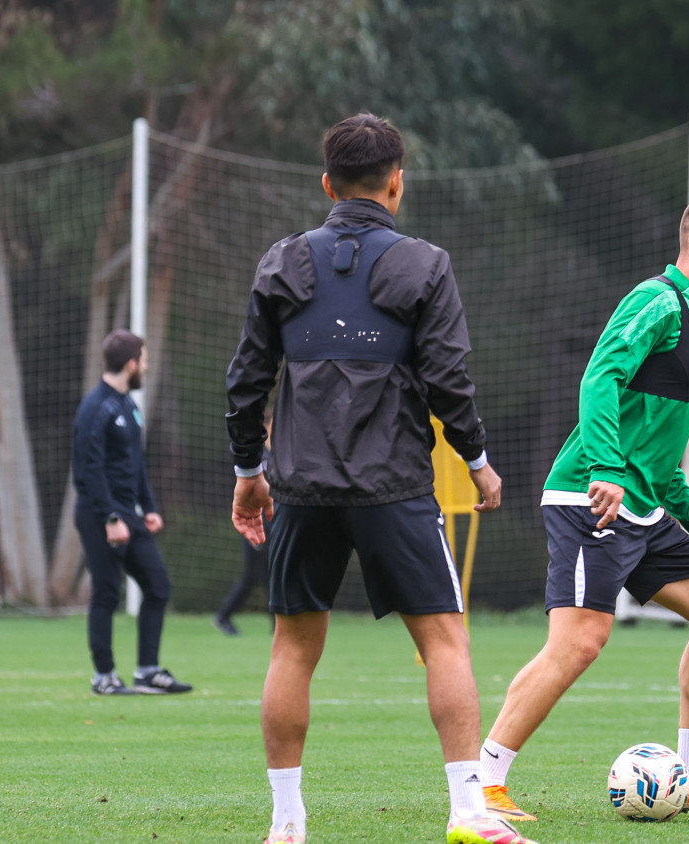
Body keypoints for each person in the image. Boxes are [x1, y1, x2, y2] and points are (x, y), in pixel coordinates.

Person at [224, 113, 533, 844]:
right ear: (398, 182)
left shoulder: (281, 261)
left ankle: (287, 824)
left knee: (292, 648)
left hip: (300, 487)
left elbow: (245, 382)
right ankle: (467, 814)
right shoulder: (425, 264)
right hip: (394, 486)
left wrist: (249, 473)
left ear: (328, 184)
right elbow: (448, 380)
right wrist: (479, 461)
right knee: (445, 643)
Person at [479, 186, 689, 823]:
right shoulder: (656, 300)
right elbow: (600, 376)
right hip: (593, 498)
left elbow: (653, 434)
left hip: (640, 503)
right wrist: (605, 469)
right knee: (580, 642)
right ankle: (485, 782)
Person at [72, 329, 192, 696]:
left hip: (130, 514)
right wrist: (110, 517)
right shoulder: (95, 407)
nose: (148, 365)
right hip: (100, 515)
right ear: (130, 364)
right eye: (144, 359)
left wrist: (149, 508)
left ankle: (148, 671)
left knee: (157, 586)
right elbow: (87, 471)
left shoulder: (129, 406)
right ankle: (104, 677)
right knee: (107, 593)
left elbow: (136, 465)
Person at [214, 413, 272, 637]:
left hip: (272, 525)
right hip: (255, 525)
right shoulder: (255, 456)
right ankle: (223, 616)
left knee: (269, 574)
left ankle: (278, 624)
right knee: (253, 575)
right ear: (266, 426)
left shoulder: (277, 455)